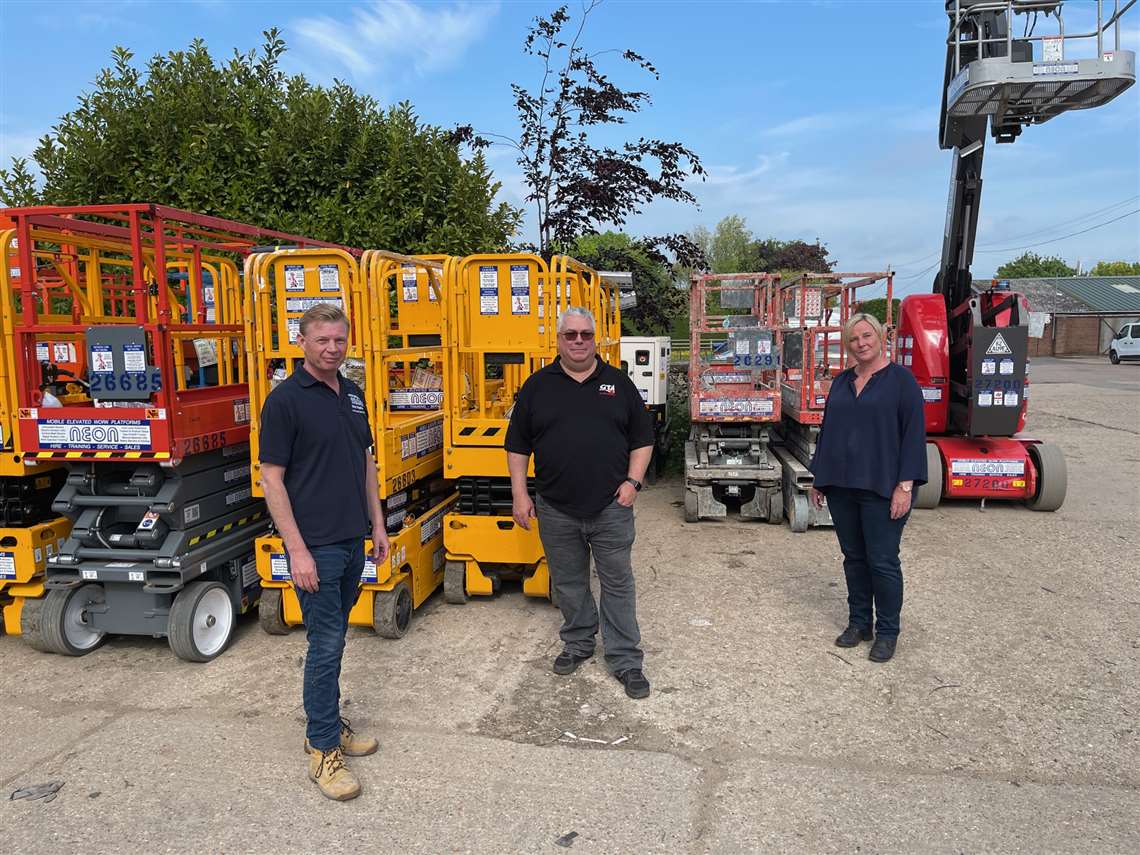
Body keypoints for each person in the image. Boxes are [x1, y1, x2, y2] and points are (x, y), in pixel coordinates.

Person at [258, 303, 390, 800]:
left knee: (334, 638)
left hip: (353, 538)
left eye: (339, 340)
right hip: (315, 545)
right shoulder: (286, 401)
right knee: (326, 642)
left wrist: (377, 523)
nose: (332, 348)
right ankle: (321, 749)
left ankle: (330, 723)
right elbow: (272, 480)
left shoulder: (352, 395)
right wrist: (297, 550)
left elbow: (365, 462)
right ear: (302, 342)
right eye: (322, 340)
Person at [505, 307, 656, 699]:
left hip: (611, 507)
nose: (578, 341)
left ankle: (625, 660)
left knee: (617, 583)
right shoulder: (538, 386)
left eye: (585, 334)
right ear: (558, 339)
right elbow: (517, 445)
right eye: (570, 334)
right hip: (556, 508)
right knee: (569, 583)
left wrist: (633, 483)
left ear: (595, 338)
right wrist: (520, 494)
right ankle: (578, 642)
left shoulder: (618, 383)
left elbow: (643, 438)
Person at [809, 313, 926, 663]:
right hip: (843, 485)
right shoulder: (843, 382)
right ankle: (860, 623)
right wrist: (820, 478)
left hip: (883, 486)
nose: (861, 343)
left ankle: (888, 631)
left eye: (866, 336)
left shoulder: (902, 382)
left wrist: (904, 486)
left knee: (883, 561)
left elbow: (913, 436)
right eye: (854, 339)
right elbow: (829, 431)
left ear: (879, 336)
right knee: (854, 559)